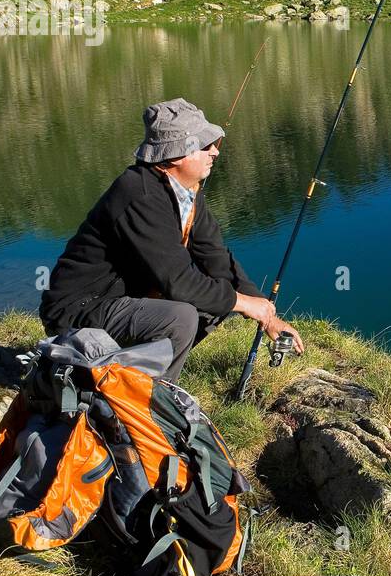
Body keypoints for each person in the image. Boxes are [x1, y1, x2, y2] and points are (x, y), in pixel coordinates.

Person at [40, 97, 303, 381]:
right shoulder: (139, 195)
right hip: (78, 311)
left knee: (215, 303)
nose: (215, 152)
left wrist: (265, 314)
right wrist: (240, 302)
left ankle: (125, 375)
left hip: (119, 302)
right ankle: (144, 401)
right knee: (184, 317)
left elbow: (216, 258)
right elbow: (178, 280)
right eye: (205, 146)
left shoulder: (186, 191)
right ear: (177, 155)